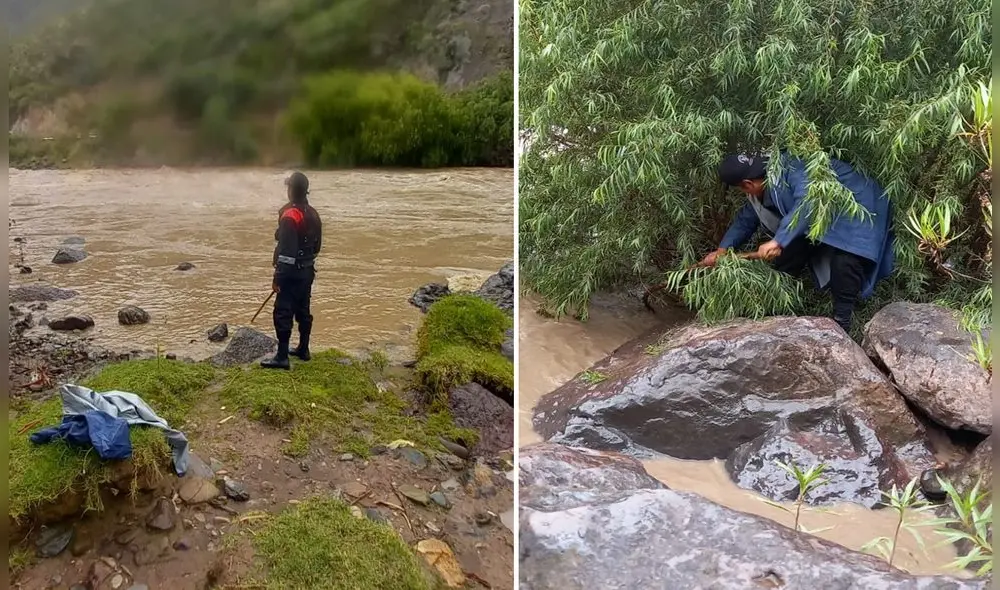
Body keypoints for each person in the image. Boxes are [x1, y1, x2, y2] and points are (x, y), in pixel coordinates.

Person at [700, 152, 894, 333]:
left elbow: (807, 202)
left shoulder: (793, 167)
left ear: (747, 184)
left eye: (742, 189)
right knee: (790, 251)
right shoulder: (766, 184)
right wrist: (723, 250)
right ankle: (778, 305)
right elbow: (746, 220)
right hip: (825, 216)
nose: (746, 194)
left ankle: (842, 325)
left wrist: (778, 241)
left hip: (861, 207)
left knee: (845, 261)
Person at [261, 171, 323, 369]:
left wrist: (278, 278)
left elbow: (287, 254)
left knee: (283, 312)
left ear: (291, 190)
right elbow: (317, 247)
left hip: (291, 274)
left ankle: (282, 357)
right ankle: (303, 349)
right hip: (307, 271)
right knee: (303, 310)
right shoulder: (313, 213)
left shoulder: (290, 216)